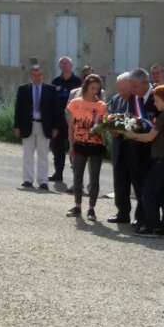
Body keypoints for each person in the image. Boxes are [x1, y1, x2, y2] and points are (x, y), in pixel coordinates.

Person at [124, 85, 164, 238]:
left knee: (148, 192)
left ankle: (150, 226)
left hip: (162, 161)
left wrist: (132, 135)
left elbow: (149, 137)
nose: (154, 103)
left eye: (156, 100)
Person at [65, 74, 108, 221]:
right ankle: (77, 206)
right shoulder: (75, 103)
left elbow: (103, 127)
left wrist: (101, 128)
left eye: (97, 88)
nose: (95, 91)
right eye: (92, 88)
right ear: (86, 87)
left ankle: (91, 209)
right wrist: (71, 145)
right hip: (79, 143)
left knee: (94, 177)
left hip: (96, 144)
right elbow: (71, 126)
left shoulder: (102, 106)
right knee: (77, 177)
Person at [13, 64, 58, 191]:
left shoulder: (50, 89)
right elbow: (18, 109)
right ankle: (27, 179)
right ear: (30, 75)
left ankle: (43, 181)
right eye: (34, 75)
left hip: (45, 125)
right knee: (27, 154)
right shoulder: (23, 89)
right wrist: (16, 126)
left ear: (42, 75)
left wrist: (55, 127)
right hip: (28, 125)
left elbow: (55, 109)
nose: (37, 77)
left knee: (43, 154)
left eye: (39, 75)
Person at [129, 68, 160, 230]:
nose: (133, 90)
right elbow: (130, 118)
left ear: (145, 83)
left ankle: (148, 218)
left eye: (135, 86)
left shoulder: (158, 96)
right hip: (136, 147)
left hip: (153, 149)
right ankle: (140, 216)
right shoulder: (134, 98)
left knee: (149, 186)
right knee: (138, 183)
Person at [106, 72, 135, 224]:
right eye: (120, 89)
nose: (122, 92)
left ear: (132, 86)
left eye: (125, 89)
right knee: (120, 181)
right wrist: (109, 128)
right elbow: (109, 115)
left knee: (137, 182)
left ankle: (140, 216)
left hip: (134, 146)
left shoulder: (137, 100)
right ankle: (122, 212)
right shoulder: (116, 99)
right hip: (119, 145)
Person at [49, 57, 82, 182]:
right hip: (58, 121)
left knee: (73, 148)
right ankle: (58, 173)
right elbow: (50, 103)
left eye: (66, 63)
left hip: (73, 121)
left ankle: (76, 175)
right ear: (59, 66)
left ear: (71, 65)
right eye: (62, 63)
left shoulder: (78, 82)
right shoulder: (55, 82)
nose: (64, 65)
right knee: (57, 148)